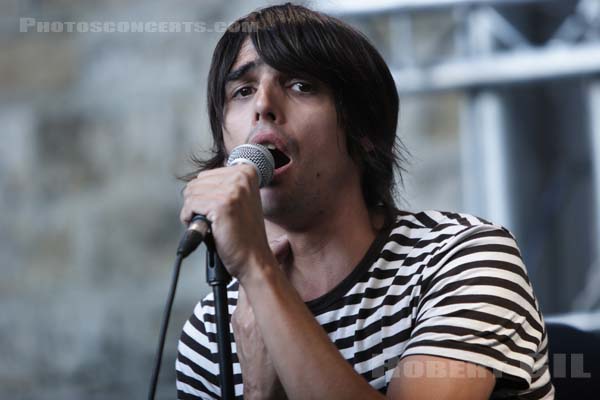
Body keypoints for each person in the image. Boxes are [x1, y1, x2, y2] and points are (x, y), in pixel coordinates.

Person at [175, 3, 554, 399]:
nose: (263, 105)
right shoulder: (210, 329)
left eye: (301, 85)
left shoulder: (464, 258)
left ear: (366, 131)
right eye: (243, 90)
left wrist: (258, 270)